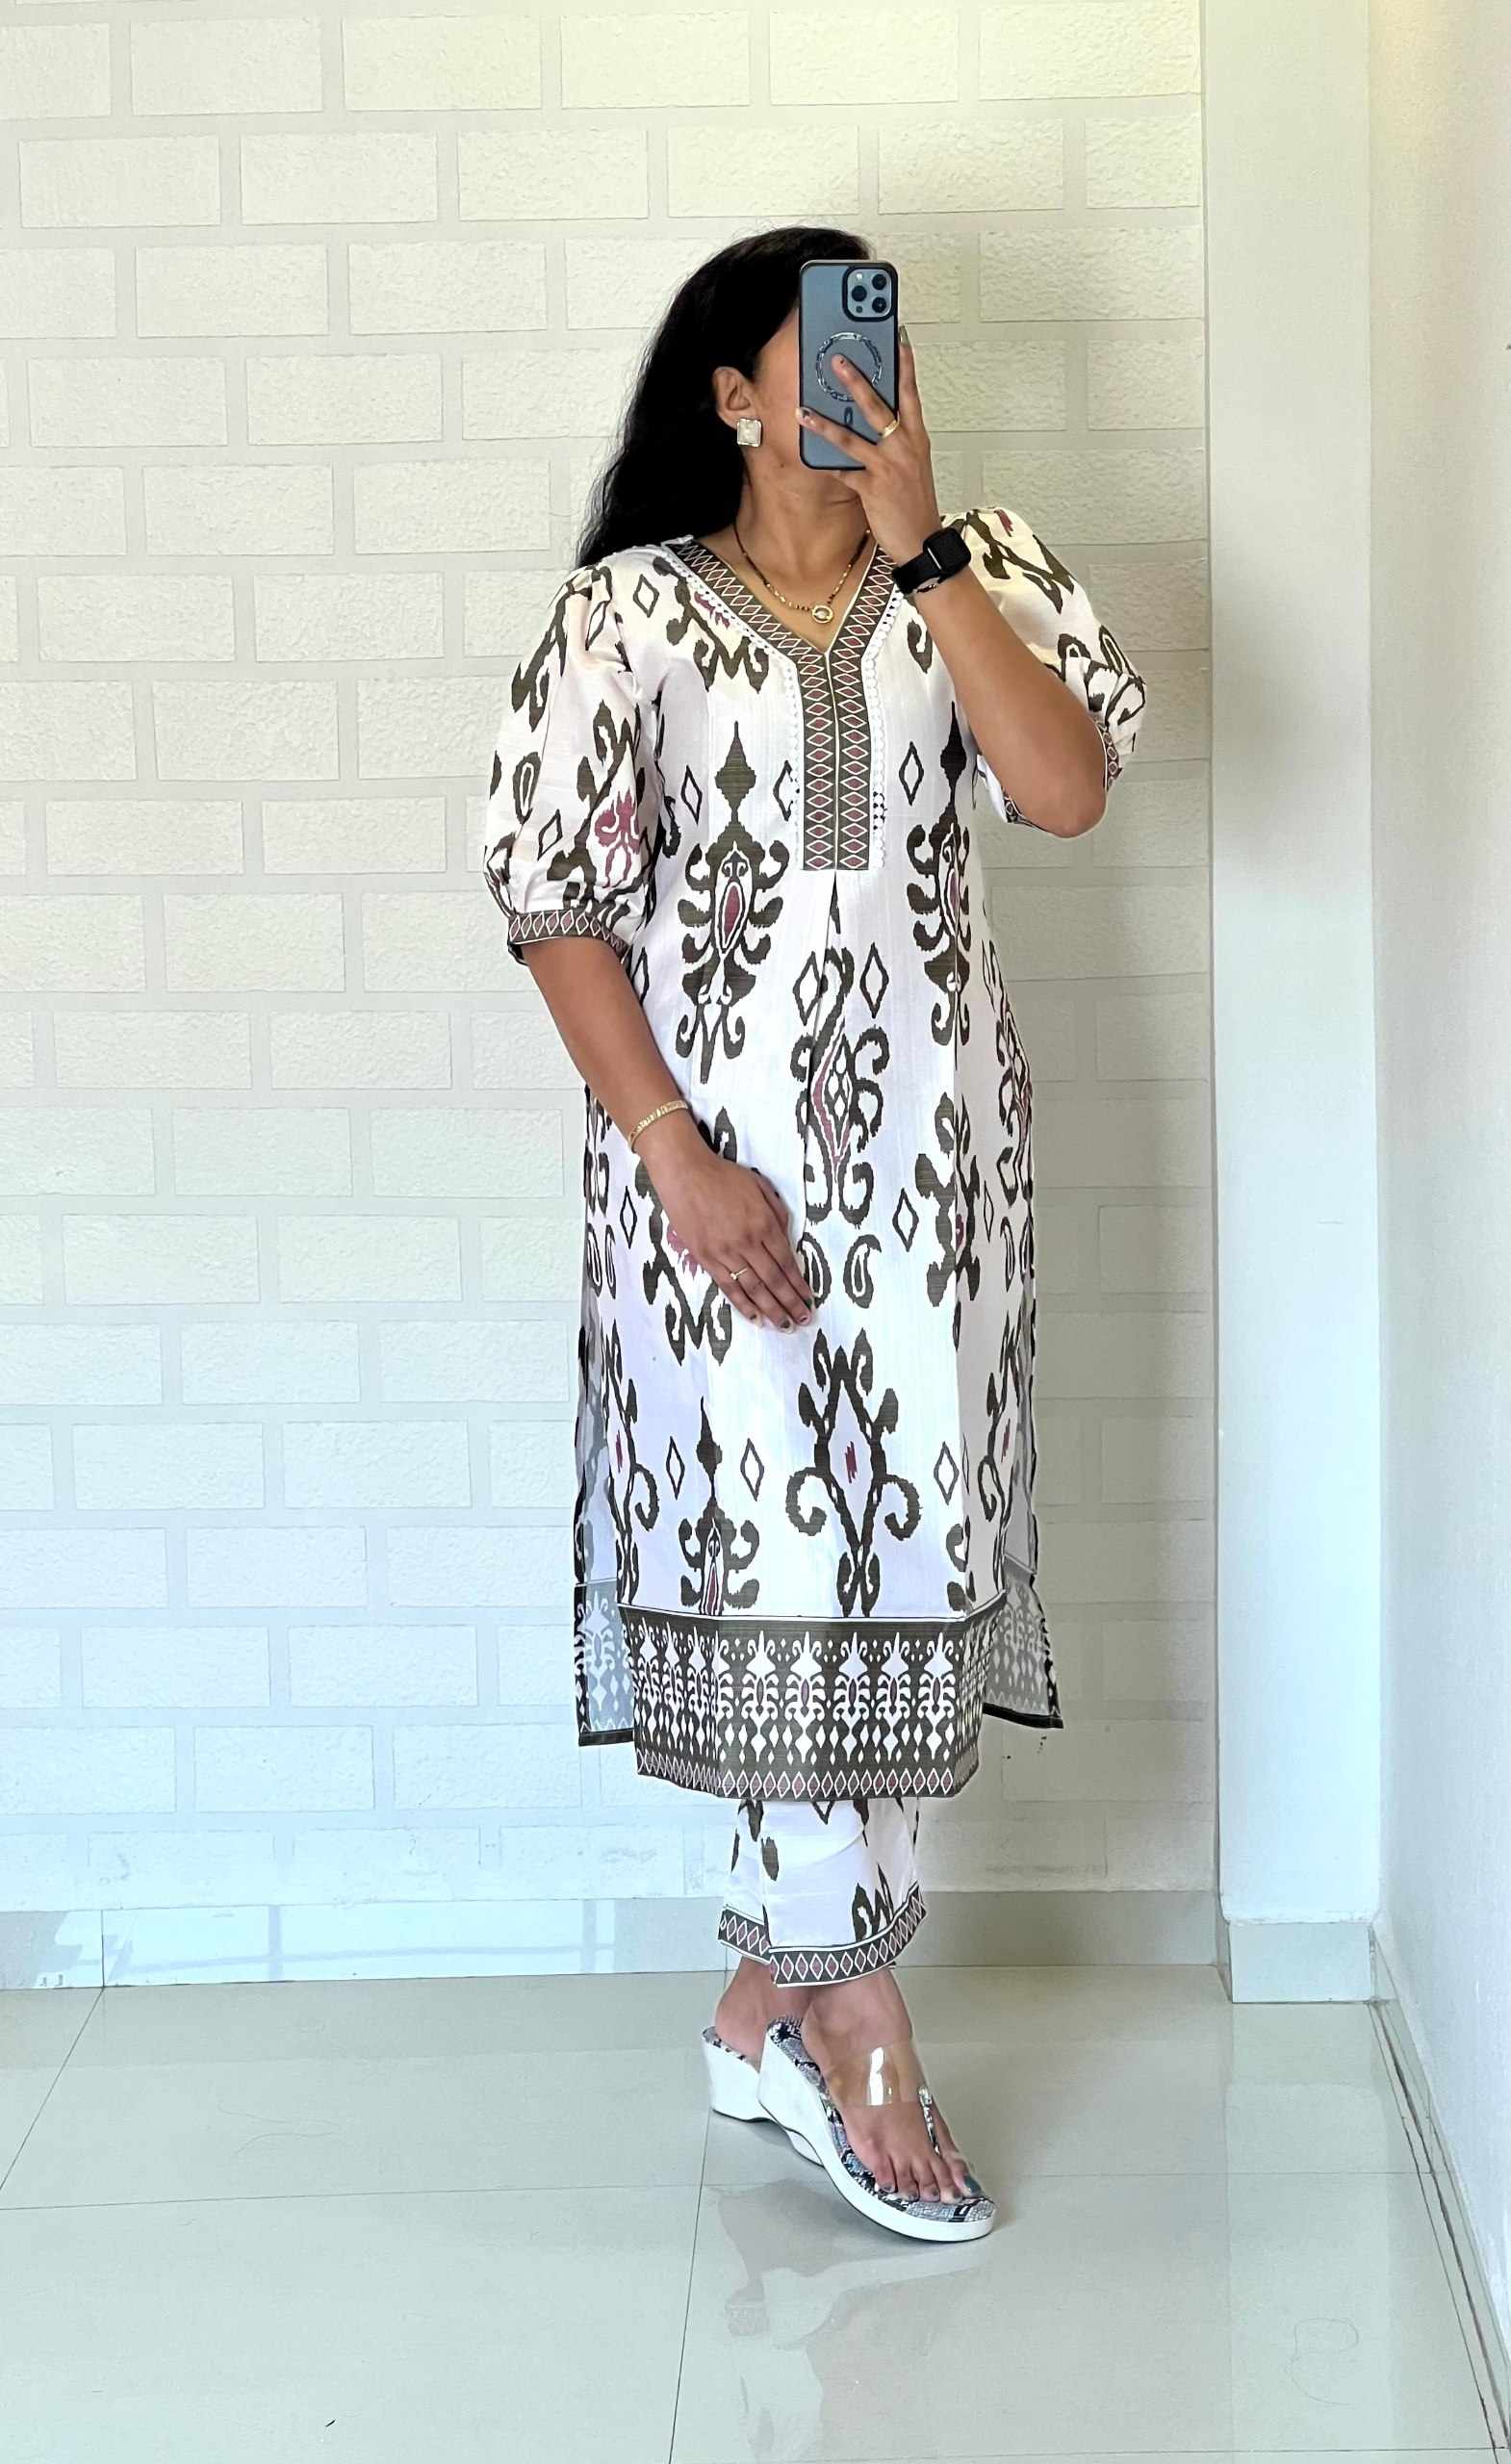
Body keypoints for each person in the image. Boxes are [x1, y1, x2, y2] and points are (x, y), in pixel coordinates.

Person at [482, 224, 1146, 2242]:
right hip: (710, 1194)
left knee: (895, 1565)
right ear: (729, 395)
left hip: (933, 1191)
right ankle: (856, 2023)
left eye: (888, 344)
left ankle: (755, 2002)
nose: (871, 374)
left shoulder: (981, 567)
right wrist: (678, 1160)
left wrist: (925, 547)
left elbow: (1062, 791)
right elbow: (550, 901)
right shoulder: (625, 615)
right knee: (776, 1562)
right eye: (825, 348)